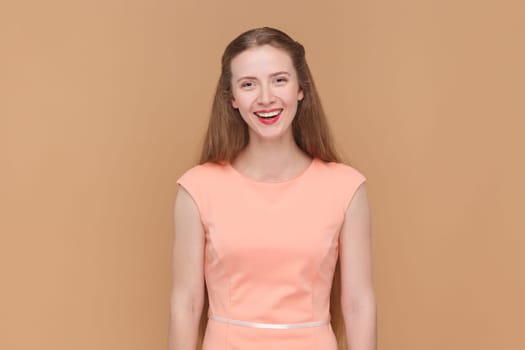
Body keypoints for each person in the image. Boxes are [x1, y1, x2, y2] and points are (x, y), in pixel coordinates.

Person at [169, 27, 376, 350]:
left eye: (279, 80)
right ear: (233, 99)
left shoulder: (346, 187)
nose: (266, 98)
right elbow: (187, 302)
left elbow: (358, 304)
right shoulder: (197, 188)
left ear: (300, 89)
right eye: (248, 84)